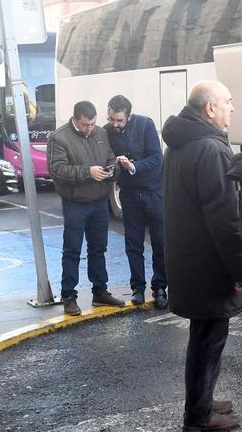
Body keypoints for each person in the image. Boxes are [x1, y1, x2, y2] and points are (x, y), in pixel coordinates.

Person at [162, 81, 242, 432]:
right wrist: (241, 269)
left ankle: (202, 400)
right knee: (208, 340)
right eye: (228, 102)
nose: (232, 108)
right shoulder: (211, 150)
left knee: (204, 337)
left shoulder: (182, 143)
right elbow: (226, 218)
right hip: (209, 264)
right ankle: (198, 416)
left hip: (189, 258)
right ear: (210, 109)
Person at [47, 101, 124, 316]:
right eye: (84, 125)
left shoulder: (100, 133)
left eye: (92, 124)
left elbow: (110, 156)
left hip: (100, 201)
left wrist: (112, 170)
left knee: (98, 249)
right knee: (72, 250)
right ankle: (69, 296)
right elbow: (57, 170)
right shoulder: (59, 137)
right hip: (75, 203)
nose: (89, 128)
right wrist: (87, 172)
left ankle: (100, 291)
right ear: (75, 119)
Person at [104, 95, 168, 309]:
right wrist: (115, 165)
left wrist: (133, 166)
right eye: (112, 119)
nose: (115, 124)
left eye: (119, 121)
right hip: (129, 194)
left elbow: (157, 158)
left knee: (159, 242)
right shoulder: (106, 130)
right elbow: (106, 159)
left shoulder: (145, 124)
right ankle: (137, 288)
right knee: (133, 243)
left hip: (153, 192)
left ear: (129, 117)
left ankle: (160, 287)